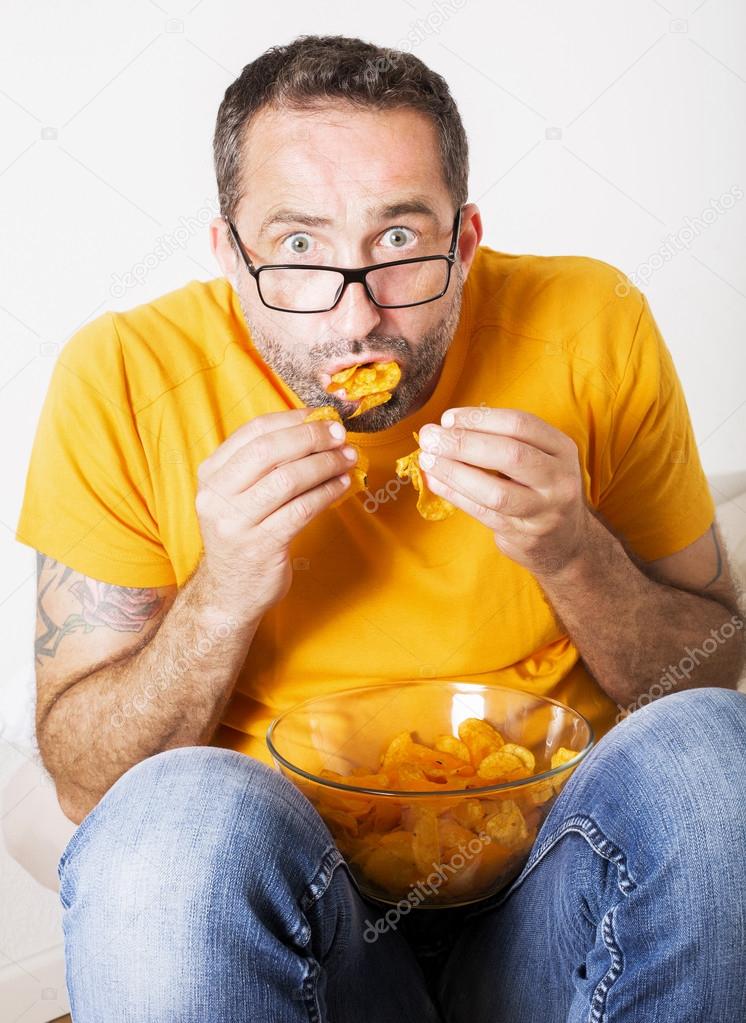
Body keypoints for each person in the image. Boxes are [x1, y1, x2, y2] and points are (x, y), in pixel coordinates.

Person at [16, 33, 745, 1022]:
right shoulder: (123, 377)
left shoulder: (590, 322)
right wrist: (222, 592)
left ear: (465, 239)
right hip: (294, 913)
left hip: (556, 891)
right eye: (299, 247)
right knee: (166, 830)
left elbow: (709, 673)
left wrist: (572, 551)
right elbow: (84, 781)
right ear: (229, 253)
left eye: (399, 240)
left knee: (713, 754)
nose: (354, 316)